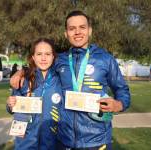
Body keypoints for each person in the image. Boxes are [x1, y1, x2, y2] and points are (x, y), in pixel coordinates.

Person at [10, 10, 131, 149]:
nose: (77, 32)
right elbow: (40, 66)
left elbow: (122, 89)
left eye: (82, 27)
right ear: (66, 34)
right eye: (72, 28)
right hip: (65, 140)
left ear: (90, 30)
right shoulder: (60, 59)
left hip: (96, 141)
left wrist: (119, 104)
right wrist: (22, 71)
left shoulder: (105, 59)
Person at [7, 38, 64, 150]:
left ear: (53, 56)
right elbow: (12, 108)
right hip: (26, 144)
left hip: (53, 144)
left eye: (47, 54)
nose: (43, 58)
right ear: (33, 57)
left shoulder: (61, 80)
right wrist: (10, 104)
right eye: (39, 54)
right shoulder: (23, 79)